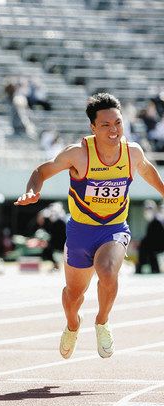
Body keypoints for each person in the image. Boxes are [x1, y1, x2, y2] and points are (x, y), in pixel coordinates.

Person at [15, 93, 164, 360]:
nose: (113, 130)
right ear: (93, 128)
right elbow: (42, 171)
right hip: (80, 231)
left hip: (114, 228)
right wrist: (32, 191)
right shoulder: (79, 154)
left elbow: (147, 169)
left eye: (117, 123)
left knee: (107, 271)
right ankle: (73, 325)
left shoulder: (132, 152)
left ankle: (102, 322)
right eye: (105, 125)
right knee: (73, 295)